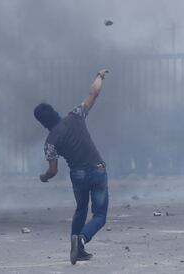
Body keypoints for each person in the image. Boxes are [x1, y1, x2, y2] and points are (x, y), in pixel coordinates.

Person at [34, 69, 109, 265]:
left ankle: (77, 249)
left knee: (81, 210)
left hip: (78, 175)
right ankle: (82, 239)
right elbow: (93, 93)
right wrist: (99, 76)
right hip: (98, 169)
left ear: (43, 123)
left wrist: (44, 177)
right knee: (99, 215)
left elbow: (53, 170)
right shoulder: (75, 116)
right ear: (54, 111)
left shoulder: (50, 142)